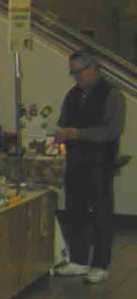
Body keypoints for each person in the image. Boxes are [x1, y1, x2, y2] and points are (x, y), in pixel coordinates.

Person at [53, 50, 126, 284]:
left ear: (94, 68)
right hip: (76, 162)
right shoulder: (72, 95)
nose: (76, 77)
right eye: (72, 72)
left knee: (101, 215)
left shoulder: (112, 95)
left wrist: (78, 134)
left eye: (79, 71)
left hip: (100, 163)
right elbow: (62, 122)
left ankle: (100, 264)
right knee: (75, 211)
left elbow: (111, 130)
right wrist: (60, 133)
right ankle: (79, 260)